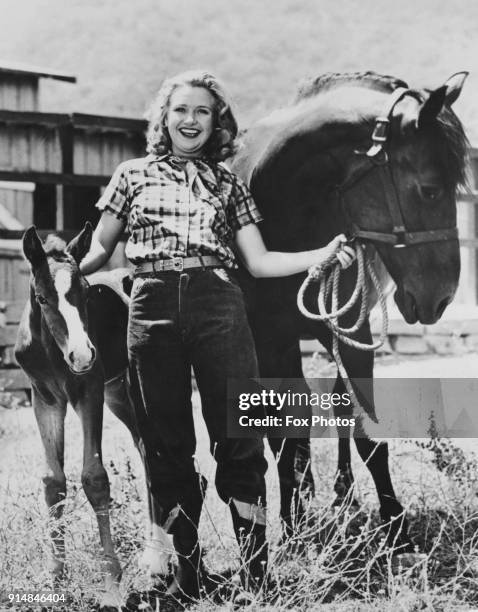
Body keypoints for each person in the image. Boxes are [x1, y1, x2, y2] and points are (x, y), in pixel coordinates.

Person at [79, 70, 355, 602]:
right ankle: (187, 573)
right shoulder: (131, 175)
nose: (191, 120)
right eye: (181, 110)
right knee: (166, 442)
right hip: (151, 303)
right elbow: (96, 251)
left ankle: (256, 573)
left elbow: (260, 260)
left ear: (215, 122)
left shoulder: (229, 185)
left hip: (219, 302)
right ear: (164, 118)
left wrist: (319, 256)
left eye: (203, 112)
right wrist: (62, 266)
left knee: (240, 434)